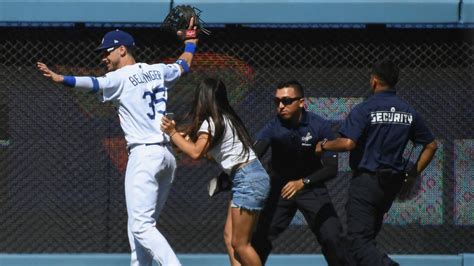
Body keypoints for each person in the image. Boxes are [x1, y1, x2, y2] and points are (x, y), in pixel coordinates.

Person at [37, 20, 198, 266]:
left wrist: (62, 79)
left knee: (141, 225)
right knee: (140, 225)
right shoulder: (158, 69)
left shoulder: (120, 77)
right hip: (166, 157)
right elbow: (183, 64)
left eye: (107, 51)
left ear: (122, 49)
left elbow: (93, 83)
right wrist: (191, 42)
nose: (104, 57)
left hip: (144, 156)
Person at [315, 59, 438, 266]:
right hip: (390, 185)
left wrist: (324, 145)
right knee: (366, 241)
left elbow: (347, 143)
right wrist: (413, 174)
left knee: (358, 242)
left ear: (373, 81)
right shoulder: (408, 112)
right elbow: (431, 145)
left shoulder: (365, 109)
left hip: (367, 183)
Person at [160, 78, 270, 266]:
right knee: (230, 237)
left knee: (240, 244)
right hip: (246, 178)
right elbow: (209, 154)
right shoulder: (225, 118)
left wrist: (172, 133)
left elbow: (195, 153)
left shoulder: (212, 123)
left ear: (203, 97)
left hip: (248, 179)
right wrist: (181, 140)